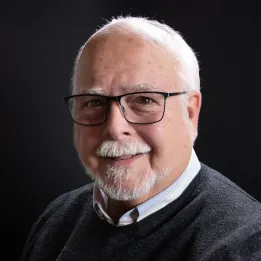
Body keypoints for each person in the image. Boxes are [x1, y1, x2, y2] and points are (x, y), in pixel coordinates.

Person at [21, 16, 261, 261]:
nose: (114, 128)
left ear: (190, 112)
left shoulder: (244, 247)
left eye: (144, 100)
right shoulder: (57, 221)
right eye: (94, 102)